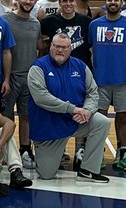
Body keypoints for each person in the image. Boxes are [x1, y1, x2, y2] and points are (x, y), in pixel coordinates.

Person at [27, 33, 111, 182]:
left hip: (74, 122)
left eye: (64, 47)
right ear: (50, 47)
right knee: (46, 175)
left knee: (102, 122)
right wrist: (72, 109)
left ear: (70, 48)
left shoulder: (80, 66)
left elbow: (93, 92)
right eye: (56, 46)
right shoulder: (38, 67)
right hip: (48, 128)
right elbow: (41, 97)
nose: (60, 50)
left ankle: (88, 170)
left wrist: (87, 110)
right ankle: (44, 152)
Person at [89, 0, 126, 172]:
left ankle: (123, 153)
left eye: (116, 0)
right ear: (105, 2)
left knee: (124, 117)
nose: (113, 2)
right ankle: (97, 153)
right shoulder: (94, 25)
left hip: (124, 80)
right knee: (99, 118)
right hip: (100, 80)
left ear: (122, 3)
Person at [2, 0, 41, 167]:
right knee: (6, 116)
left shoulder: (36, 23)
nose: (27, 1)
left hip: (29, 77)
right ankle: (6, 150)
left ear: (35, 1)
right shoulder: (6, 20)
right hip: (9, 77)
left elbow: (40, 47)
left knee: (26, 116)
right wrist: (5, 78)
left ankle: (26, 150)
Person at [39, 0, 92, 65]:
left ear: (75, 2)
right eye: (64, 1)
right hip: (57, 68)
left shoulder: (87, 22)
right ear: (59, 3)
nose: (68, 4)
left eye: (71, 0)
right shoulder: (49, 21)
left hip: (80, 68)